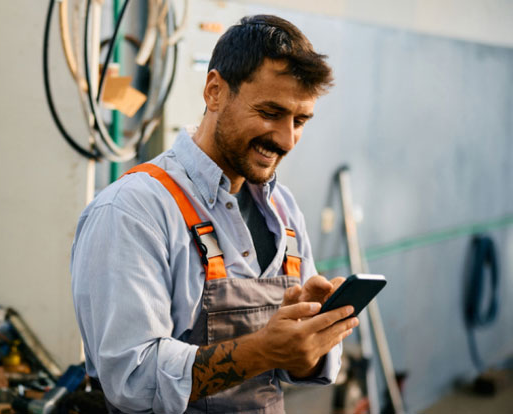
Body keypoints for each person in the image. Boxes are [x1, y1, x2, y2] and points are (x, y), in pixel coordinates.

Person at [71, 15, 358, 413]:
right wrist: (261, 349)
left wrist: (308, 338)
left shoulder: (282, 209)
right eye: (271, 112)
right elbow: (131, 380)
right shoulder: (134, 210)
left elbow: (296, 370)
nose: (286, 138)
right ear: (215, 91)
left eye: (300, 120)